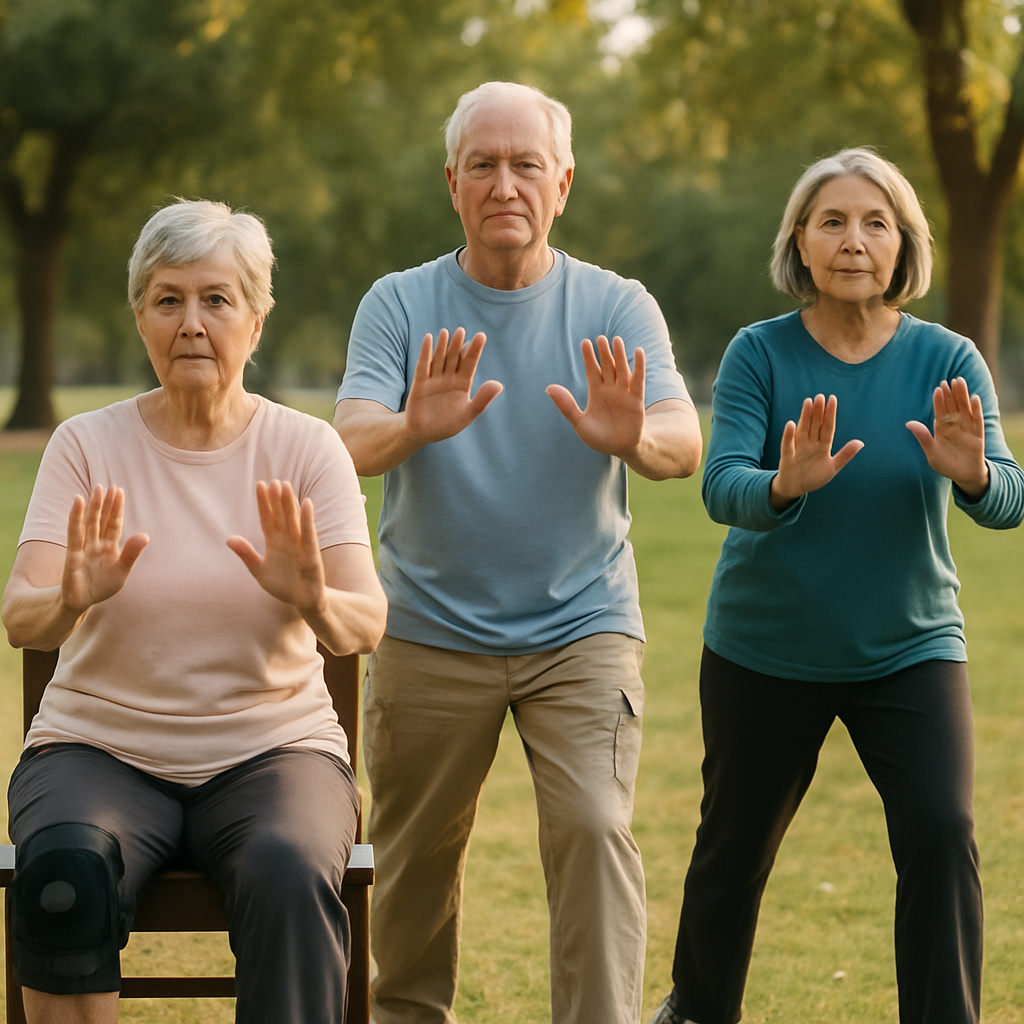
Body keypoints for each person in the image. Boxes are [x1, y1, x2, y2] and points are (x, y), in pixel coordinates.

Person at [333, 80, 703, 1024]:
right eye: (485, 166)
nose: (506, 184)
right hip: (428, 627)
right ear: (451, 181)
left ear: (563, 183)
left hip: (580, 627)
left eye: (526, 165)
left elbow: (681, 445)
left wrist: (630, 439)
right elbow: (345, 442)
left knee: (591, 829)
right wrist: (414, 425)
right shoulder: (399, 302)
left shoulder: (617, 305)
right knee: (413, 864)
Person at [647, 148, 1024, 1024]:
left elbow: (1008, 499)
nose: (854, 240)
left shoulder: (950, 357)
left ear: (902, 247)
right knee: (733, 850)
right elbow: (720, 486)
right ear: (801, 246)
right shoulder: (758, 354)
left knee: (941, 832)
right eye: (833, 222)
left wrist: (972, 474)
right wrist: (783, 485)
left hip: (909, 644)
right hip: (765, 647)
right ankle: (698, 1010)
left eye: (875, 222)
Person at [2, 199, 388, 1024]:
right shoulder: (86, 445)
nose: (192, 322)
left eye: (217, 298)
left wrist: (312, 596)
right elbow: (20, 619)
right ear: (140, 315)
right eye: (168, 298)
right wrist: (69, 597)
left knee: (289, 869)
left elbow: (366, 625)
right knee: (63, 871)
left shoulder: (306, 448)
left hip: (273, 752)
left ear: (256, 317)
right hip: (96, 748)